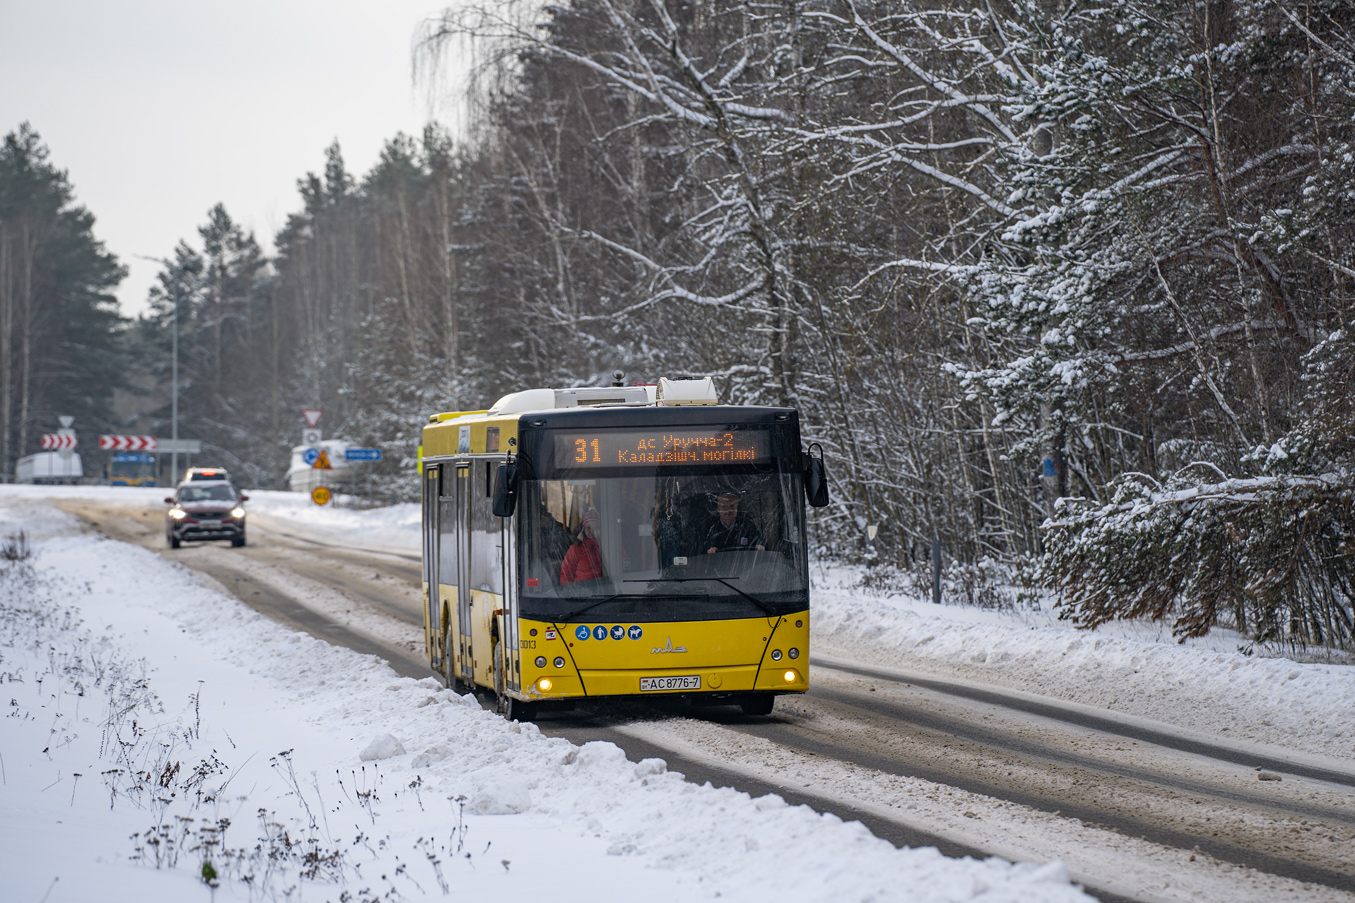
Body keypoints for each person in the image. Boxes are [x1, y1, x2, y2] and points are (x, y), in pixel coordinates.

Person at [560, 508, 605, 584]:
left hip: (605, 591)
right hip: (582, 592)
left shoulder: (608, 546)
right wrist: (568, 592)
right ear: (583, 529)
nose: (592, 531)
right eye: (588, 528)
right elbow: (566, 572)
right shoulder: (576, 548)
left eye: (595, 528)